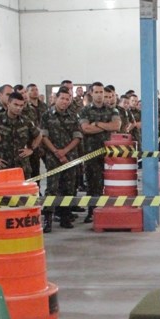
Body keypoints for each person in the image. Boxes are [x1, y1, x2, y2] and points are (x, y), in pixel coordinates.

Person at [41, 86, 83, 232]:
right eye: (62, 98)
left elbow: (77, 137)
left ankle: (65, 216)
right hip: (53, 158)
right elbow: (44, 136)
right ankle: (48, 219)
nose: (65, 101)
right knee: (52, 189)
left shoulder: (73, 116)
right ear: (56, 98)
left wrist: (65, 151)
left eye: (68, 99)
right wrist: (56, 152)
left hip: (70, 156)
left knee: (69, 188)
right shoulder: (46, 115)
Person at [79, 81, 121, 223]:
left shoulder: (112, 110)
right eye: (96, 92)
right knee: (92, 183)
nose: (99, 95)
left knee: (110, 183)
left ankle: (109, 210)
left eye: (101, 92)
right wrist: (106, 127)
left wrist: (96, 124)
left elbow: (117, 125)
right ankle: (92, 212)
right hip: (91, 152)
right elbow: (85, 129)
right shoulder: (85, 111)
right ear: (91, 93)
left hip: (109, 153)